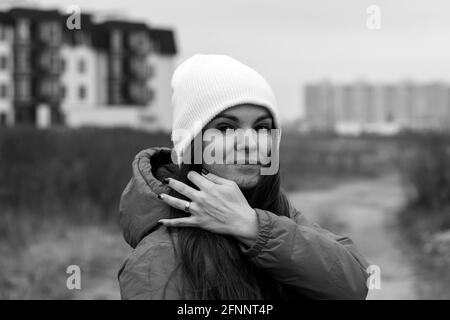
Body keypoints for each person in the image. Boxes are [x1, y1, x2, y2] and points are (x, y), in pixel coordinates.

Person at [118, 54, 370, 299]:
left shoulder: (277, 215)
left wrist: (254, 228)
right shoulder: (157, 259)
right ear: (191, 144)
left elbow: (353, 285)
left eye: (262, 128)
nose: (250, 143)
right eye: (226, 128)